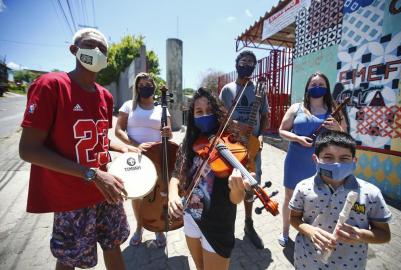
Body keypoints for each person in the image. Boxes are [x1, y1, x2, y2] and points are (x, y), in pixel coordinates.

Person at [19, 28, 133, 270]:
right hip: (71, 196)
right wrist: (91, 174)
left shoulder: (105, 96)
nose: (97, 52)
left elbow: (96, 136)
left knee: (113, 244)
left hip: (107, 189)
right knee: (69, 258)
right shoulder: (51, 86)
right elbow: (28, 150)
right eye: (90, 45)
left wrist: (121, 147)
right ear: (74, 50)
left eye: (102, 49)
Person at [168, 88, 251, 270]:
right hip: (191, 218)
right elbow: (176, 174)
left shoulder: (233, 144)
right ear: (192, 116)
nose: (205, 115)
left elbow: (236, 199)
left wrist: (238, 189)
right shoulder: (189, 143)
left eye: (210, 110)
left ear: (218, 112)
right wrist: (172, 195)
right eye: (199, 112)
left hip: (218, 224)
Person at [289, 131, 391, 269]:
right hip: (306, 261)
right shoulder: (303, 187)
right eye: (328, 157)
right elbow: (294, 218)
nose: (336, 164)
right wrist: (309, 231)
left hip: (350, 264)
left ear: (354, 161)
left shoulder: (371, 194)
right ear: (315, 159)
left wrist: (361, 235)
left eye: (344, 158)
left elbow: (384, 234)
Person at [278, 72, 347, 247]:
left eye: (321, 84)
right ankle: (285, 231)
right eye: (313, 84)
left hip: (323, 163)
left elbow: (345, 136)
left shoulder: (334, 108)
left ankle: (313, 232)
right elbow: (281, 130)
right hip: (296, 159)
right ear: (308, 88)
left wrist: (337, 127)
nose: (317, 87)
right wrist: (298, 138)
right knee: (289, 196)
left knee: (318, 198)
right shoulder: (296, 108)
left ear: (327, 87)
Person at [115, 72, 172, 247]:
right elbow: (118, 130)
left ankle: (158, 229)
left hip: (157, 156)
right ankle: (139, 228)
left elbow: (169, 134)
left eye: (149, 84)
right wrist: (135, 145)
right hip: (135, 156)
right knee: (138, 196)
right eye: (142, 85)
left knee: (158, 195)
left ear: (154, 87)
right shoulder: (128, 106)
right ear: (137, 88)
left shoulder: (161, 108)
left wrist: (167, 133)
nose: (145, 88)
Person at [219, 50, 269, 249]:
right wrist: (236, 125)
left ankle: (249, 224)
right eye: (243, 61)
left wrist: (261, 136)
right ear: (237, 63)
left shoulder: (259, 89)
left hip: (252, 148)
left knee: (251, 186)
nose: (246, 64)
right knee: (229, 186)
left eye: (251, 62)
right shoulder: (227, 90)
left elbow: (264, 116)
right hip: (231, 146)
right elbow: (219, 116)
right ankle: (226, 226)